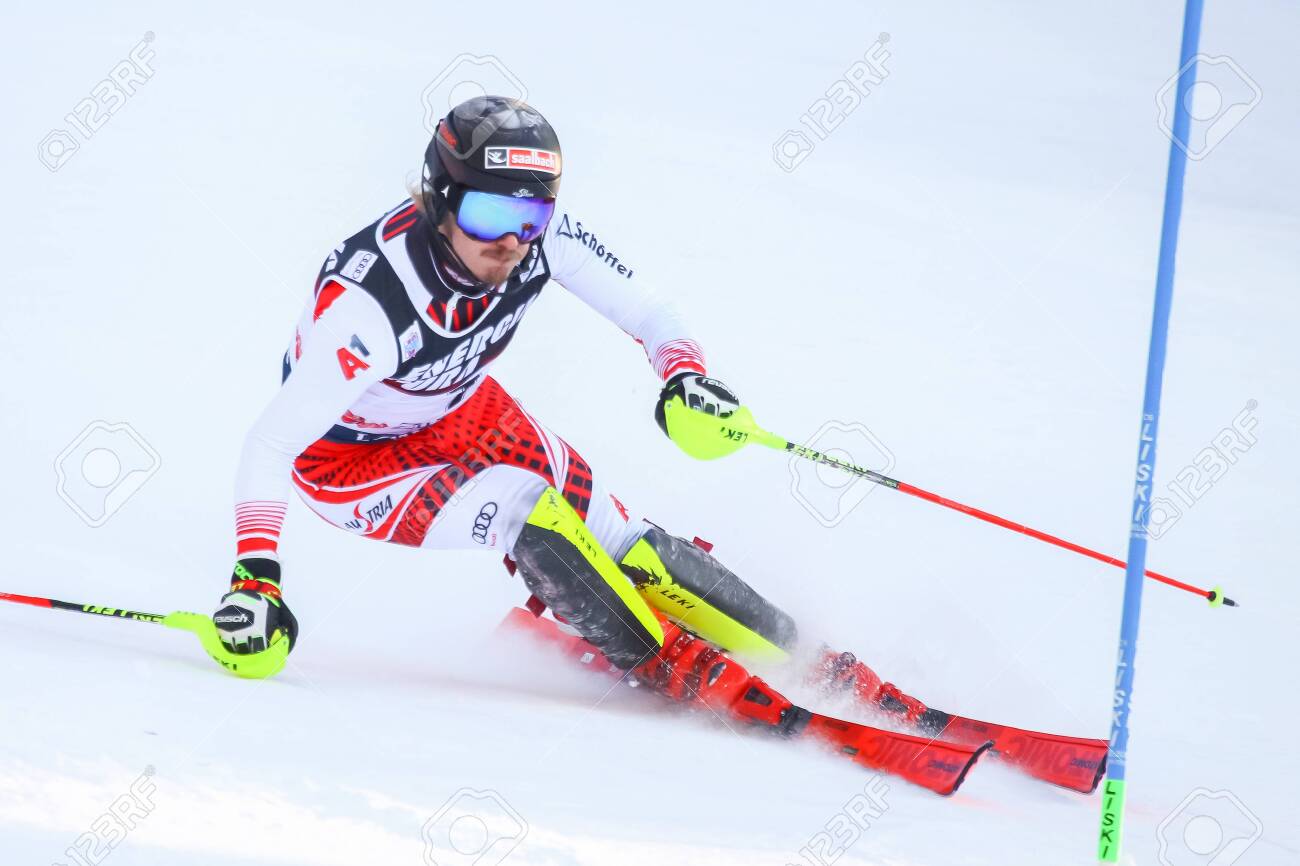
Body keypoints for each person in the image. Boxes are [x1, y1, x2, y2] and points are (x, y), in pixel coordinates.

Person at [211, 95, 919, 722]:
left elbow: (649, 310)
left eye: (532, 213)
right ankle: (680, 669)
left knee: (618, 536)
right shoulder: (370, 306)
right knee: (527, 509)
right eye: (491, 212)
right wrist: (255, 579)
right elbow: (272, 445)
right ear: (441, 197)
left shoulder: (538, 237)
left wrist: (684, 374)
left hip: (459, 410)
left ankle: (802, 658)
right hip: (348, 462)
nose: (513, 240)